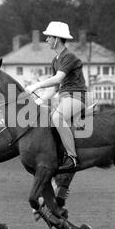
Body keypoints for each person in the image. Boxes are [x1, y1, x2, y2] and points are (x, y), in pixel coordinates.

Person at [26, 21, 87, 170]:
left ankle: (72, 157)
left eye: (48, 37)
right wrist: (38, 100)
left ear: (57, 39)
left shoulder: (69, 56)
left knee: (56, 117)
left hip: (77, 97)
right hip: (64, 98)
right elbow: (54, 89)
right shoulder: (55, 60)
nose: (46, 40)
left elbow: (58, 79)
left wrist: (37, 85)